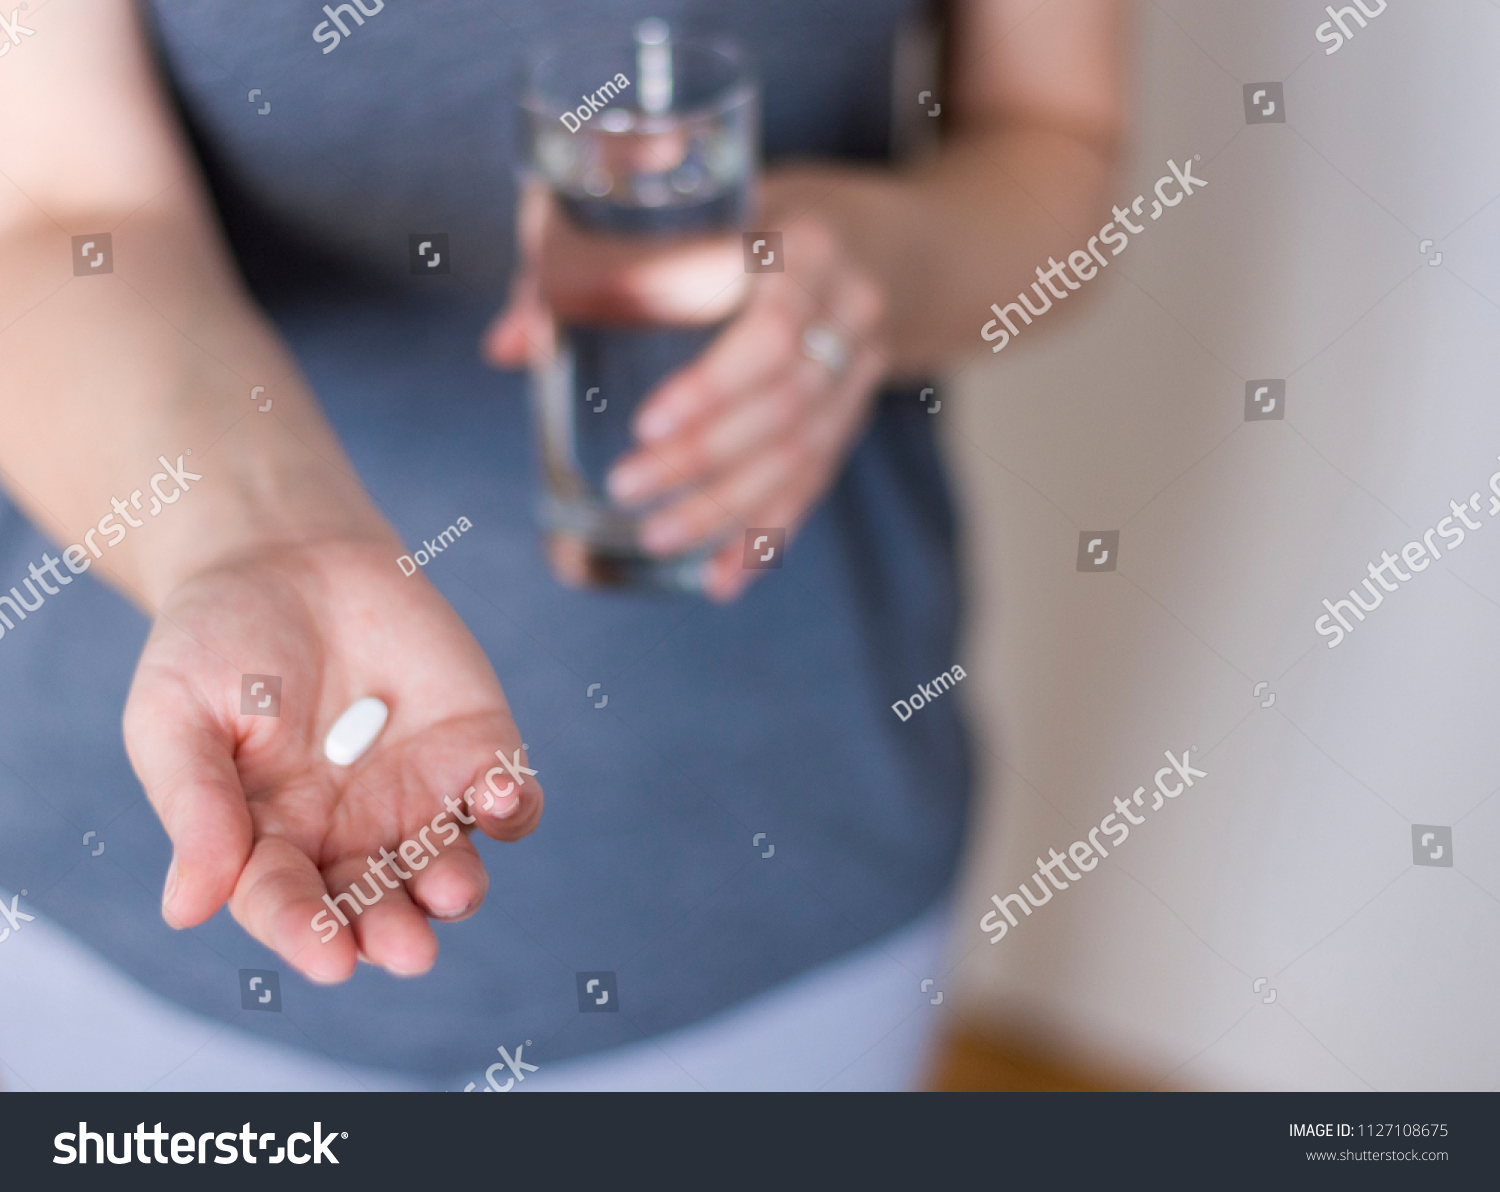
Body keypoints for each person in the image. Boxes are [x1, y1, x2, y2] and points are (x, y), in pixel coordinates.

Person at [0, 0, 1127, 1090]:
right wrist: (257, 533)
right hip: (141, 876)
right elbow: (52, 212)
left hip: (782, 853)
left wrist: (873, 268)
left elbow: (1056, 138)